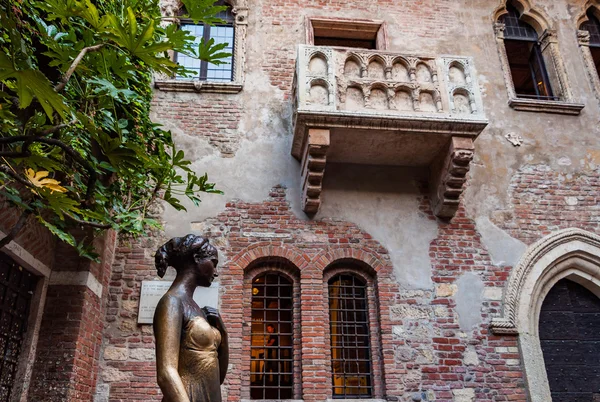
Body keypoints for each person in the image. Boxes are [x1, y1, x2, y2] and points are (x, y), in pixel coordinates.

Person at [153, 235, 229, 402]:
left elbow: (219, 378)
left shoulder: (197, 309)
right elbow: (166, 373)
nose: (216, 272)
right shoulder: (172, 302)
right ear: (196, 259)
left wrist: (223, 333)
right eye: (213, 263)